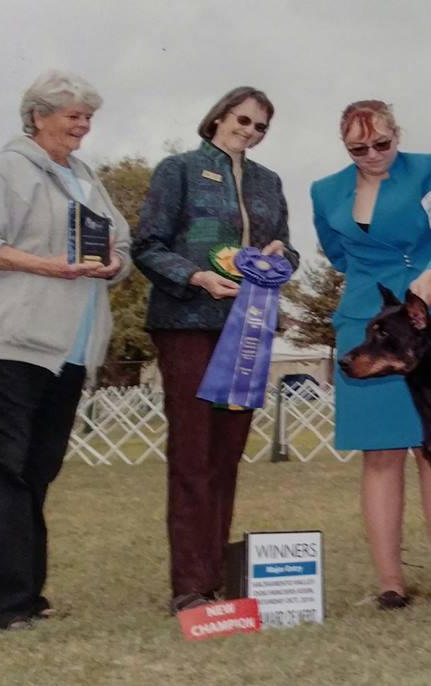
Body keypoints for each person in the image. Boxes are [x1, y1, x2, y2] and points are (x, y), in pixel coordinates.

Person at [0, 70, 132, 630]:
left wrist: (116, 261)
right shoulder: (7, 169)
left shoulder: (85, 178)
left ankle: (24, 598)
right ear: (37, 116)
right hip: (8, 343)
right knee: (0, 470)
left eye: (87, 115)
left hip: (67, 350)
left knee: (35, 472)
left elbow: (117, 240)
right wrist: (48, 264)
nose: (83, 124)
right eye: (72, 114)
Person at [132, 87, 299, 614]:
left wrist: (281, 256)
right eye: (243, 120)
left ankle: (215, 574)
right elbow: (147, 246)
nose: (249, 132)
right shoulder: (177, 170)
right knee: (192, 453)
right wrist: (197, 276)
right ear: (220, 117)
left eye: (260, 128)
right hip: (187, 324)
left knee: (226, 454)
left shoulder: (269, 182)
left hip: (248, 329)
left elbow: (287, 248)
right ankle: (189, 584)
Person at [311, 100, 431, 610]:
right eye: (357, 148)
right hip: (368, 323)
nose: (371, 155)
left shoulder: (429, 168)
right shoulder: (325, 190)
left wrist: (428, 277)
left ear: (396, 135)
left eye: (381, 144)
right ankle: (390, 584)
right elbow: (336, 252)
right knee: (380, 454)